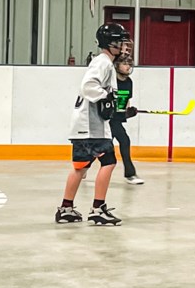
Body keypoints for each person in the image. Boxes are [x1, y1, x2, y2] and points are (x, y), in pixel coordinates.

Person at [55, 22, 132, 226]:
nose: (123, 46)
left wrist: (119, 108)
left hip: (83, 126)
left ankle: (66, 209)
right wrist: (107, 96)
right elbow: (88, 86)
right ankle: (98, 209)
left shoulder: (103, 62)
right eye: (120, 41)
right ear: (110, 43)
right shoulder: (104, 62)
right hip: (92, 128)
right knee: (109, 162)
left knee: (80, 167)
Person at [111, 54, 144, 185]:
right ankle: (130, 174)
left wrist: (128, 112)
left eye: (129, 64)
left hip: (116, 120)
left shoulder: (129, 82)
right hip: (106, 119)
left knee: (121, 142)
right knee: (109, 145)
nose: (128, 66)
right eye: (124, 63)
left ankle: (130, 173)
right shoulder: (111, 80)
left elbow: (124, 103)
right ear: (117, 65)